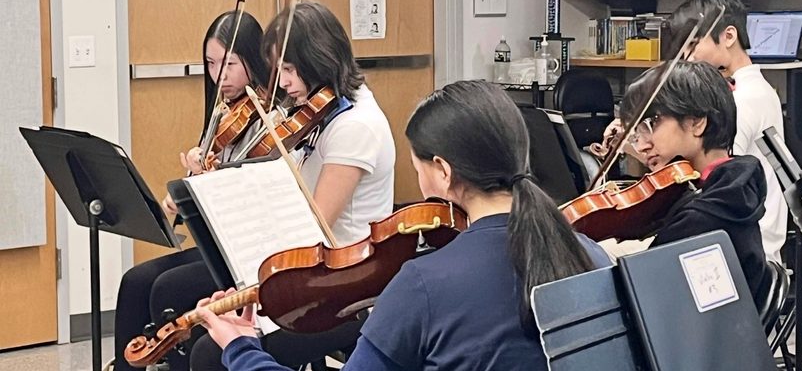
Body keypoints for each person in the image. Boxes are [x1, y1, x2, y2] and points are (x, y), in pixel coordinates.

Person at [193, 80, 612, 370]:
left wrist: (241, 347)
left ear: (444, 173)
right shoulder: (589, 254)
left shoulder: (423, 283)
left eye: (418, 166)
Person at [188, 0, 396, 369]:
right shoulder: (321, 112)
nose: (281, 82)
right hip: (308, 270)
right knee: (189, 302)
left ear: (320, 60)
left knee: (210, 351)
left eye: (288, 69)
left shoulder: (355, 125)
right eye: (278, 69)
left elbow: (314, 227)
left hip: (342, 284)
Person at [112, 10, 269, 371]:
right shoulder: (224, 113)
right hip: (218, 245)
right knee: (135, 282)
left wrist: (208, 182)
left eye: (230, 64)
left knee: (168, 288)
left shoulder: (271, 119)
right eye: (211, 64)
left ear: (255, 60)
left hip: (247, 253)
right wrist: (190, 185)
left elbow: (252, 201)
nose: (219, 76)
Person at [620, 61, 772, 305]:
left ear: (697, 122)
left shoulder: (702, 217)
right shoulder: (733, 185)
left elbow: (637, 294)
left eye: (651, 124)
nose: (641, 145)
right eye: (637, 133)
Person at [667, 0, 788, 264]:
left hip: (746, 248)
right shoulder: (758, 89)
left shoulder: (742, 100)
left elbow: (720, 181)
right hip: (748, 236)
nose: (686, 57)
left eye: (694, 44)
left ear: (729, 36)